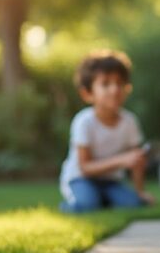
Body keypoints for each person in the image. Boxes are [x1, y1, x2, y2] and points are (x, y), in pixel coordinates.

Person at [59, 50, 154, 213]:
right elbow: (85, 167)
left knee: (134, 204)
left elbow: (137, 162)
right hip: (80, 179)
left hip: (110, 181)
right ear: (87, 93)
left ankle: (103, 198)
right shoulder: (84, 122)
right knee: (88, 204)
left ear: (127, 88)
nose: (114, 89)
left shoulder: (129, 121)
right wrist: (121, 160)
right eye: (105, 84)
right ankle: (73, 205)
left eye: (119, 83)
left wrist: (140, 192)